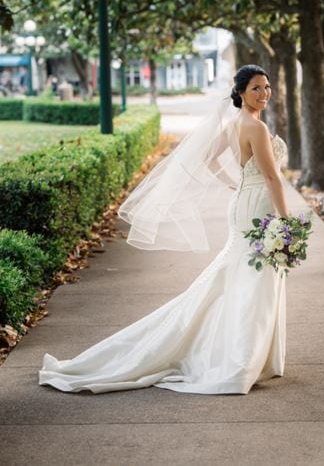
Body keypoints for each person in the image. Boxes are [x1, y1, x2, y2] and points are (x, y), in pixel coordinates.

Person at [39, 65, 290, 395]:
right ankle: (242, 357)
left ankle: (245, 352)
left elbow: (209, 160)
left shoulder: (236, 124)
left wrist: (236, 185)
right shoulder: (254, 128)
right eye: (257, 88)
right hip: (256, 207)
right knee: (253, 278)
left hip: (247, 203)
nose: (264, 93)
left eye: (267, 87)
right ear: (241, 92)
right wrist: (285, 220)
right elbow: (271, 178)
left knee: (240, 277)